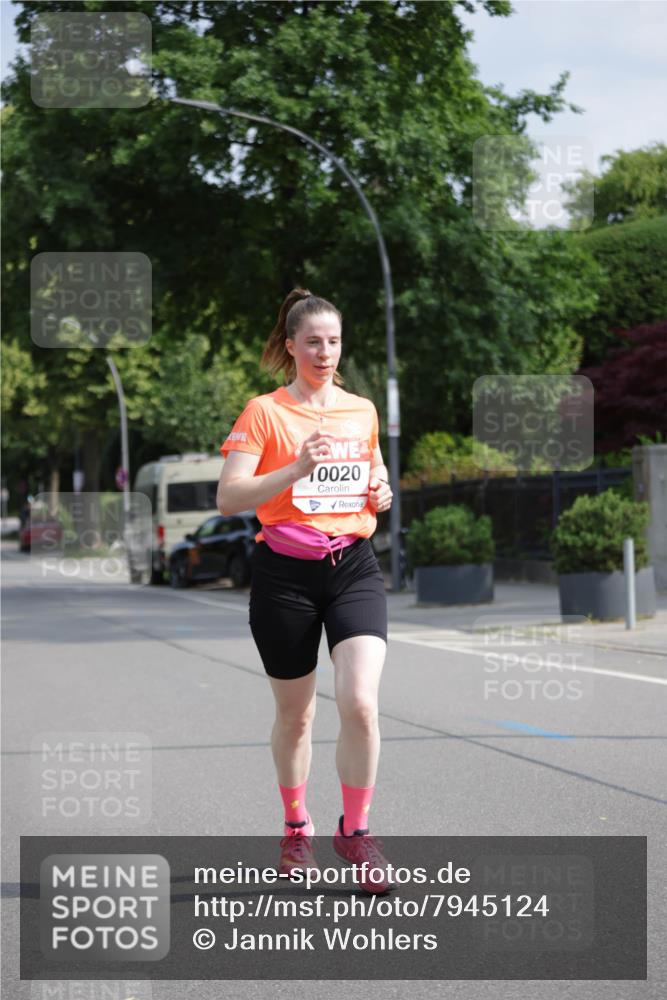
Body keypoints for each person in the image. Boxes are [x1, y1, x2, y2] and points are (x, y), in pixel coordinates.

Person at [218, 288, 396, 894]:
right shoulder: (264, 412)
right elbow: (229, 497)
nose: (325, 352)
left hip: (352, 566)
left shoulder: (361, 410)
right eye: (313, 342)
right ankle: (296, 827)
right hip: (285, 575)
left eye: (334, 341)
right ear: (291, 346)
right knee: (296, 717)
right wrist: (295, 468)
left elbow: (373, 470)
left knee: (361, 703)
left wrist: (381, 489)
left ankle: (356, 831)